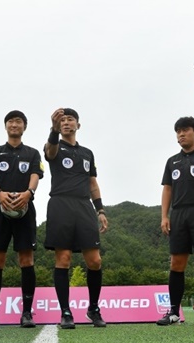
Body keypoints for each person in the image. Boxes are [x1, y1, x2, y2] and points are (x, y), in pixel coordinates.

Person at [0, 110, 44, 329]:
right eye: (11, 121)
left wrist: (28, 193)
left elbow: (35, 175)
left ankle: (26, 313)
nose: (14, 125)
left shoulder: (33, 153)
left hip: (25, 210)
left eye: (19, 122)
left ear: (24, 127)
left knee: (26, 260)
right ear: (5, 126)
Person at [44, 108, 108, 329]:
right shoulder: (54, 145)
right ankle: (65, 311)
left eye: (70, 119)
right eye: (62, 120)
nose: (66, 122)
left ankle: (93, 308)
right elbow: (50, 153)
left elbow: (93, 183)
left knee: (95, 261)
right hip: (60, 204)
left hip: (84, 206)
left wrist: (100, 210)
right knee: (63, 259)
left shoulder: (87, 153)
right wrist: (52, 130)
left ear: (78, 125)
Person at [156, 117, 194, 327]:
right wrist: (165, 215)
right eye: (178, 132)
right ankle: (174, 312)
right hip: (179, 214)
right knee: (176, 263)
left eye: (185, 130)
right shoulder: (172, 161)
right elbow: (167, 189)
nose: (181, 135)